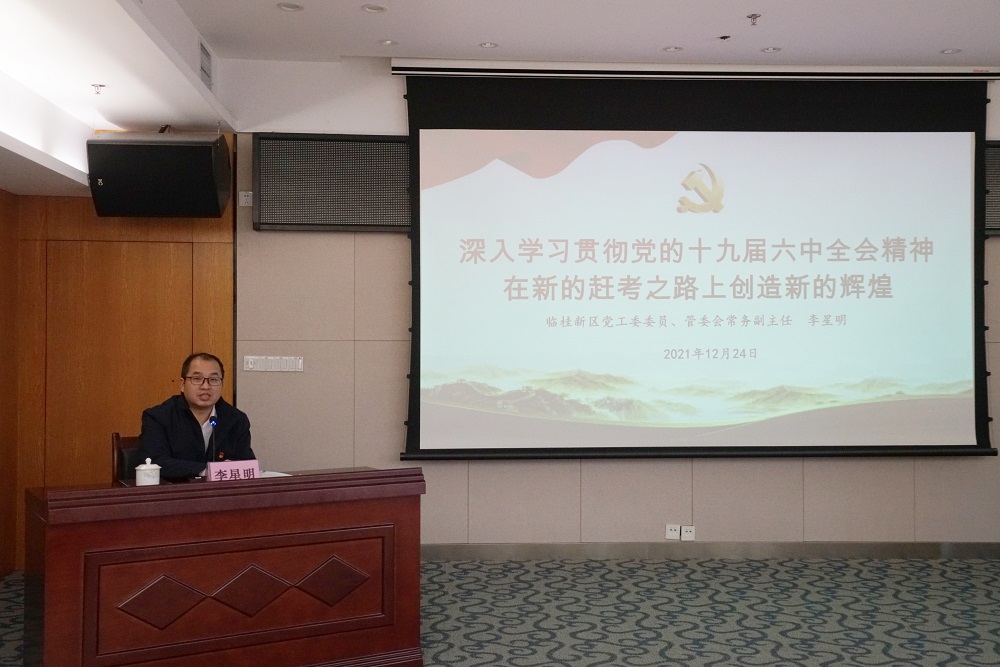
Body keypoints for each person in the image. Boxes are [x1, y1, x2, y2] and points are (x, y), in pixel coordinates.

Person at [139, 352, 255, 480]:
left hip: (221, 492)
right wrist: (206, 470)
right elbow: (154, 462)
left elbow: (247, 464)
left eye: (213, 380)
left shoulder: (236, 420)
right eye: (197, 379)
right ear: (182, 384)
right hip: (174, 490)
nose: (206, 386)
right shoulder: (158, 417)